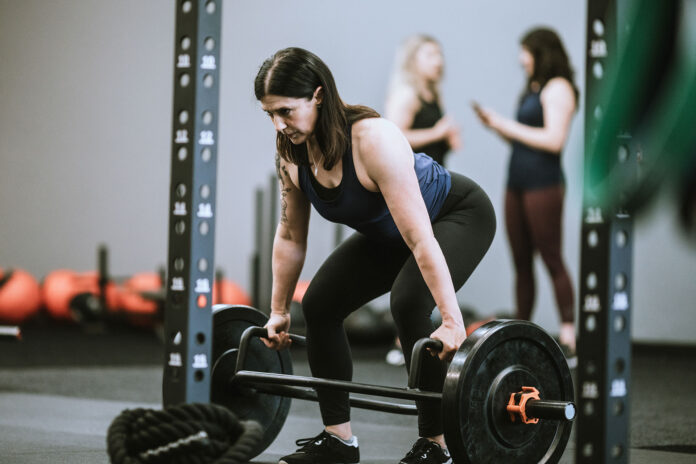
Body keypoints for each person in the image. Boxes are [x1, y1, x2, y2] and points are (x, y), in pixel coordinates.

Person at [255, 47, 496, 464]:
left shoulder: (373, 140)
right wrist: (278, 310)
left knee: (408, 301)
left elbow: (421, 240)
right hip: (393, 234)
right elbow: (291, 236)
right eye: (269, 114)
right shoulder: (290, 153)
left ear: (317, 95)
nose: (279, 124)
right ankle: (338, 441)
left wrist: (454, 321)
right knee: (319, 302)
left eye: (285, 111)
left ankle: (437, 447)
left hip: (456, 215)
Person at [472, 27, 579, 361]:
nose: (521, 59)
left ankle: (569, 335)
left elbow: (553, 140)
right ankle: (521, 333)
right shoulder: (532, 87)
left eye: (525, 52)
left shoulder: (558, 87)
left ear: (541, 52)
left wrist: (505, 124)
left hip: (543, 184)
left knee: (550, 256)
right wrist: (495, 127)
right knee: (521, 262)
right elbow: (525, 138)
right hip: (516, 182)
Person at [383, 34, 462, 366]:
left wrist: (449, 140)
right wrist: (439, 133)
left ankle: (415, 336)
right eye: (431, 54)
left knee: (425, 263)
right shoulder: (407, 94)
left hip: (429, 191)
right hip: (408, 191)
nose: (439, 61)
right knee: (408, 263)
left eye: (440, 54)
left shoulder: (432, 94)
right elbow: (390, 137)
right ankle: (401, 340)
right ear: (414, 59)